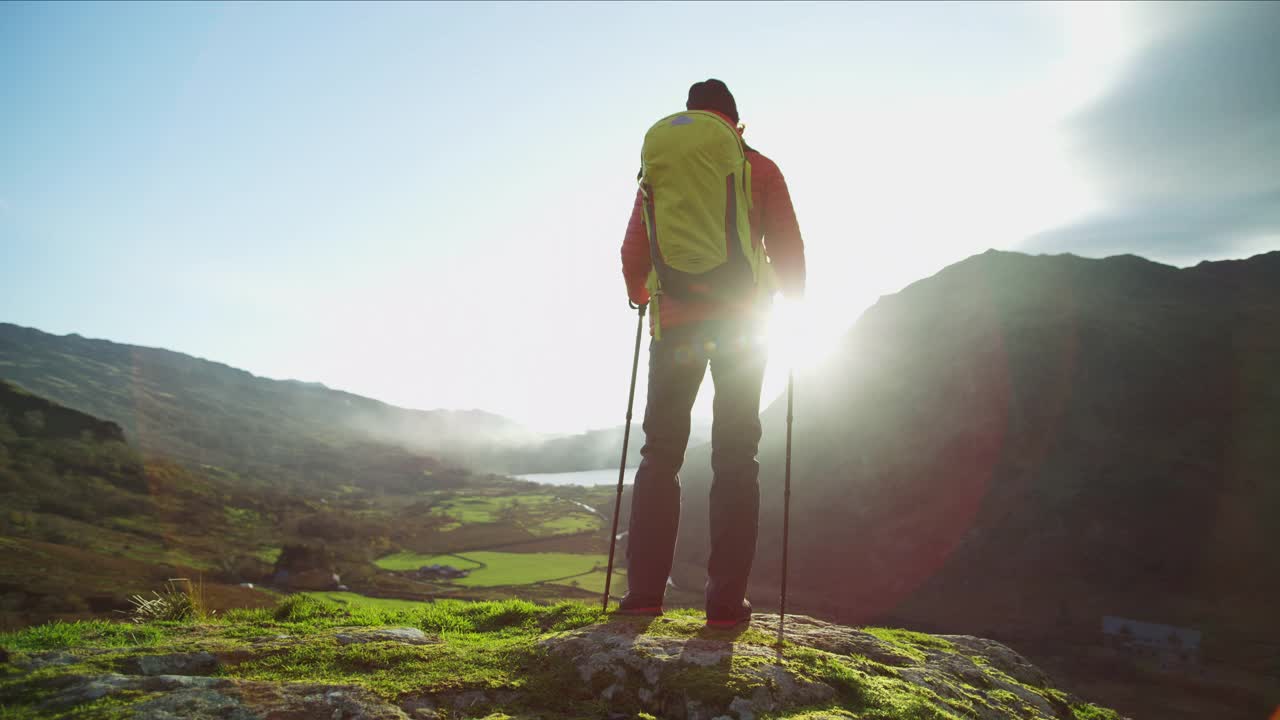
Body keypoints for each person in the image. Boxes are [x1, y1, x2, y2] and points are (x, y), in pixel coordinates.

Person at [619, 79, 806, 626]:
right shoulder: (757, 167)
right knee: (735, 456)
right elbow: (787, 243)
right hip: (743, 324)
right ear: (735, 122)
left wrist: (641, 297)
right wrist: (794, 302)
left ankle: (645, 595)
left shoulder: (658, 172)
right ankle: (725, 604)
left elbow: (634, 248)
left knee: (660, 454)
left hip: (674, 326)